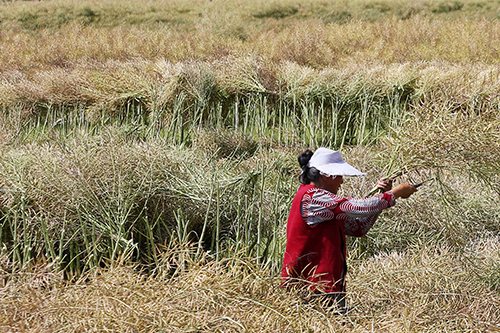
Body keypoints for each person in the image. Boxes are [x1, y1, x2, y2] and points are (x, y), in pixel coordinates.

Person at [281, 148, 417, 312]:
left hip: (326, 286)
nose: (342, 182)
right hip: (311, 286)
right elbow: (355, 206)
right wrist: (395, 194)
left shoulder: (325, 206)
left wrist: (384, 194)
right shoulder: (312, 198)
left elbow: (359, 228)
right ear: (326, 175)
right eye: (339, 176)